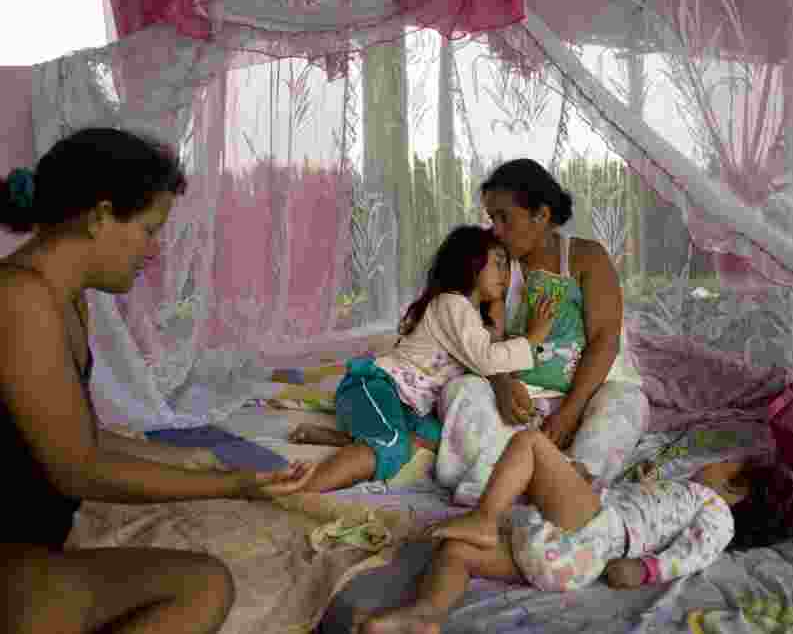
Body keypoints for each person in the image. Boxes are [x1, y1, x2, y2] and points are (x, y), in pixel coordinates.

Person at [0, 128, 317, 634]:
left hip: (30, 550)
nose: (154, 250)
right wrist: (229, 485)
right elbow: (77, 470)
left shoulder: (65, 300)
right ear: (99, 217)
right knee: (203, 586)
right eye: (149, 229)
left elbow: (65, 436)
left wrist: (194, 460)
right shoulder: (19, 301)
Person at [355, 429, 743, 634]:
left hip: (598, 534)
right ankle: (426, 614)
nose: (710, 465)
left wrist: (647, 570)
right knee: (456, 551)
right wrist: (631, 484)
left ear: (737, 489)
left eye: (723, 465)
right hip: (569, 561)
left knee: (530, 442)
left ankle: (485, 518)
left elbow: (699, 550)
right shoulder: (686, 495)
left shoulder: (717, 510)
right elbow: (642, 511)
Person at [435, 158, 651, 504]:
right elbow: (485, 340)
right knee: (461, 389)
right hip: (522, 400)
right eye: (492, 219)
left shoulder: (586, 257)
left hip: (587, 392)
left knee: (626, 403)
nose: (496, 230)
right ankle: (491, 483)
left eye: (505, 217)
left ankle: (576, 479)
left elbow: (604, 340)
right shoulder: (497, 265)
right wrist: (502, 385)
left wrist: (570, 413)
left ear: (542, 214)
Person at [285, 225, 557, 493]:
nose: (506, 275)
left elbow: (489, 355)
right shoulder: (452, 303)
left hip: (410, 408)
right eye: (498, 263)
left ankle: (345, 439)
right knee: (393, 445)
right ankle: (299, 485)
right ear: (471, 262)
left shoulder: (470, 317)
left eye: (507, 266)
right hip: (376, 385)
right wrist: (533, 337)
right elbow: (487, 359)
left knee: (450, 443)